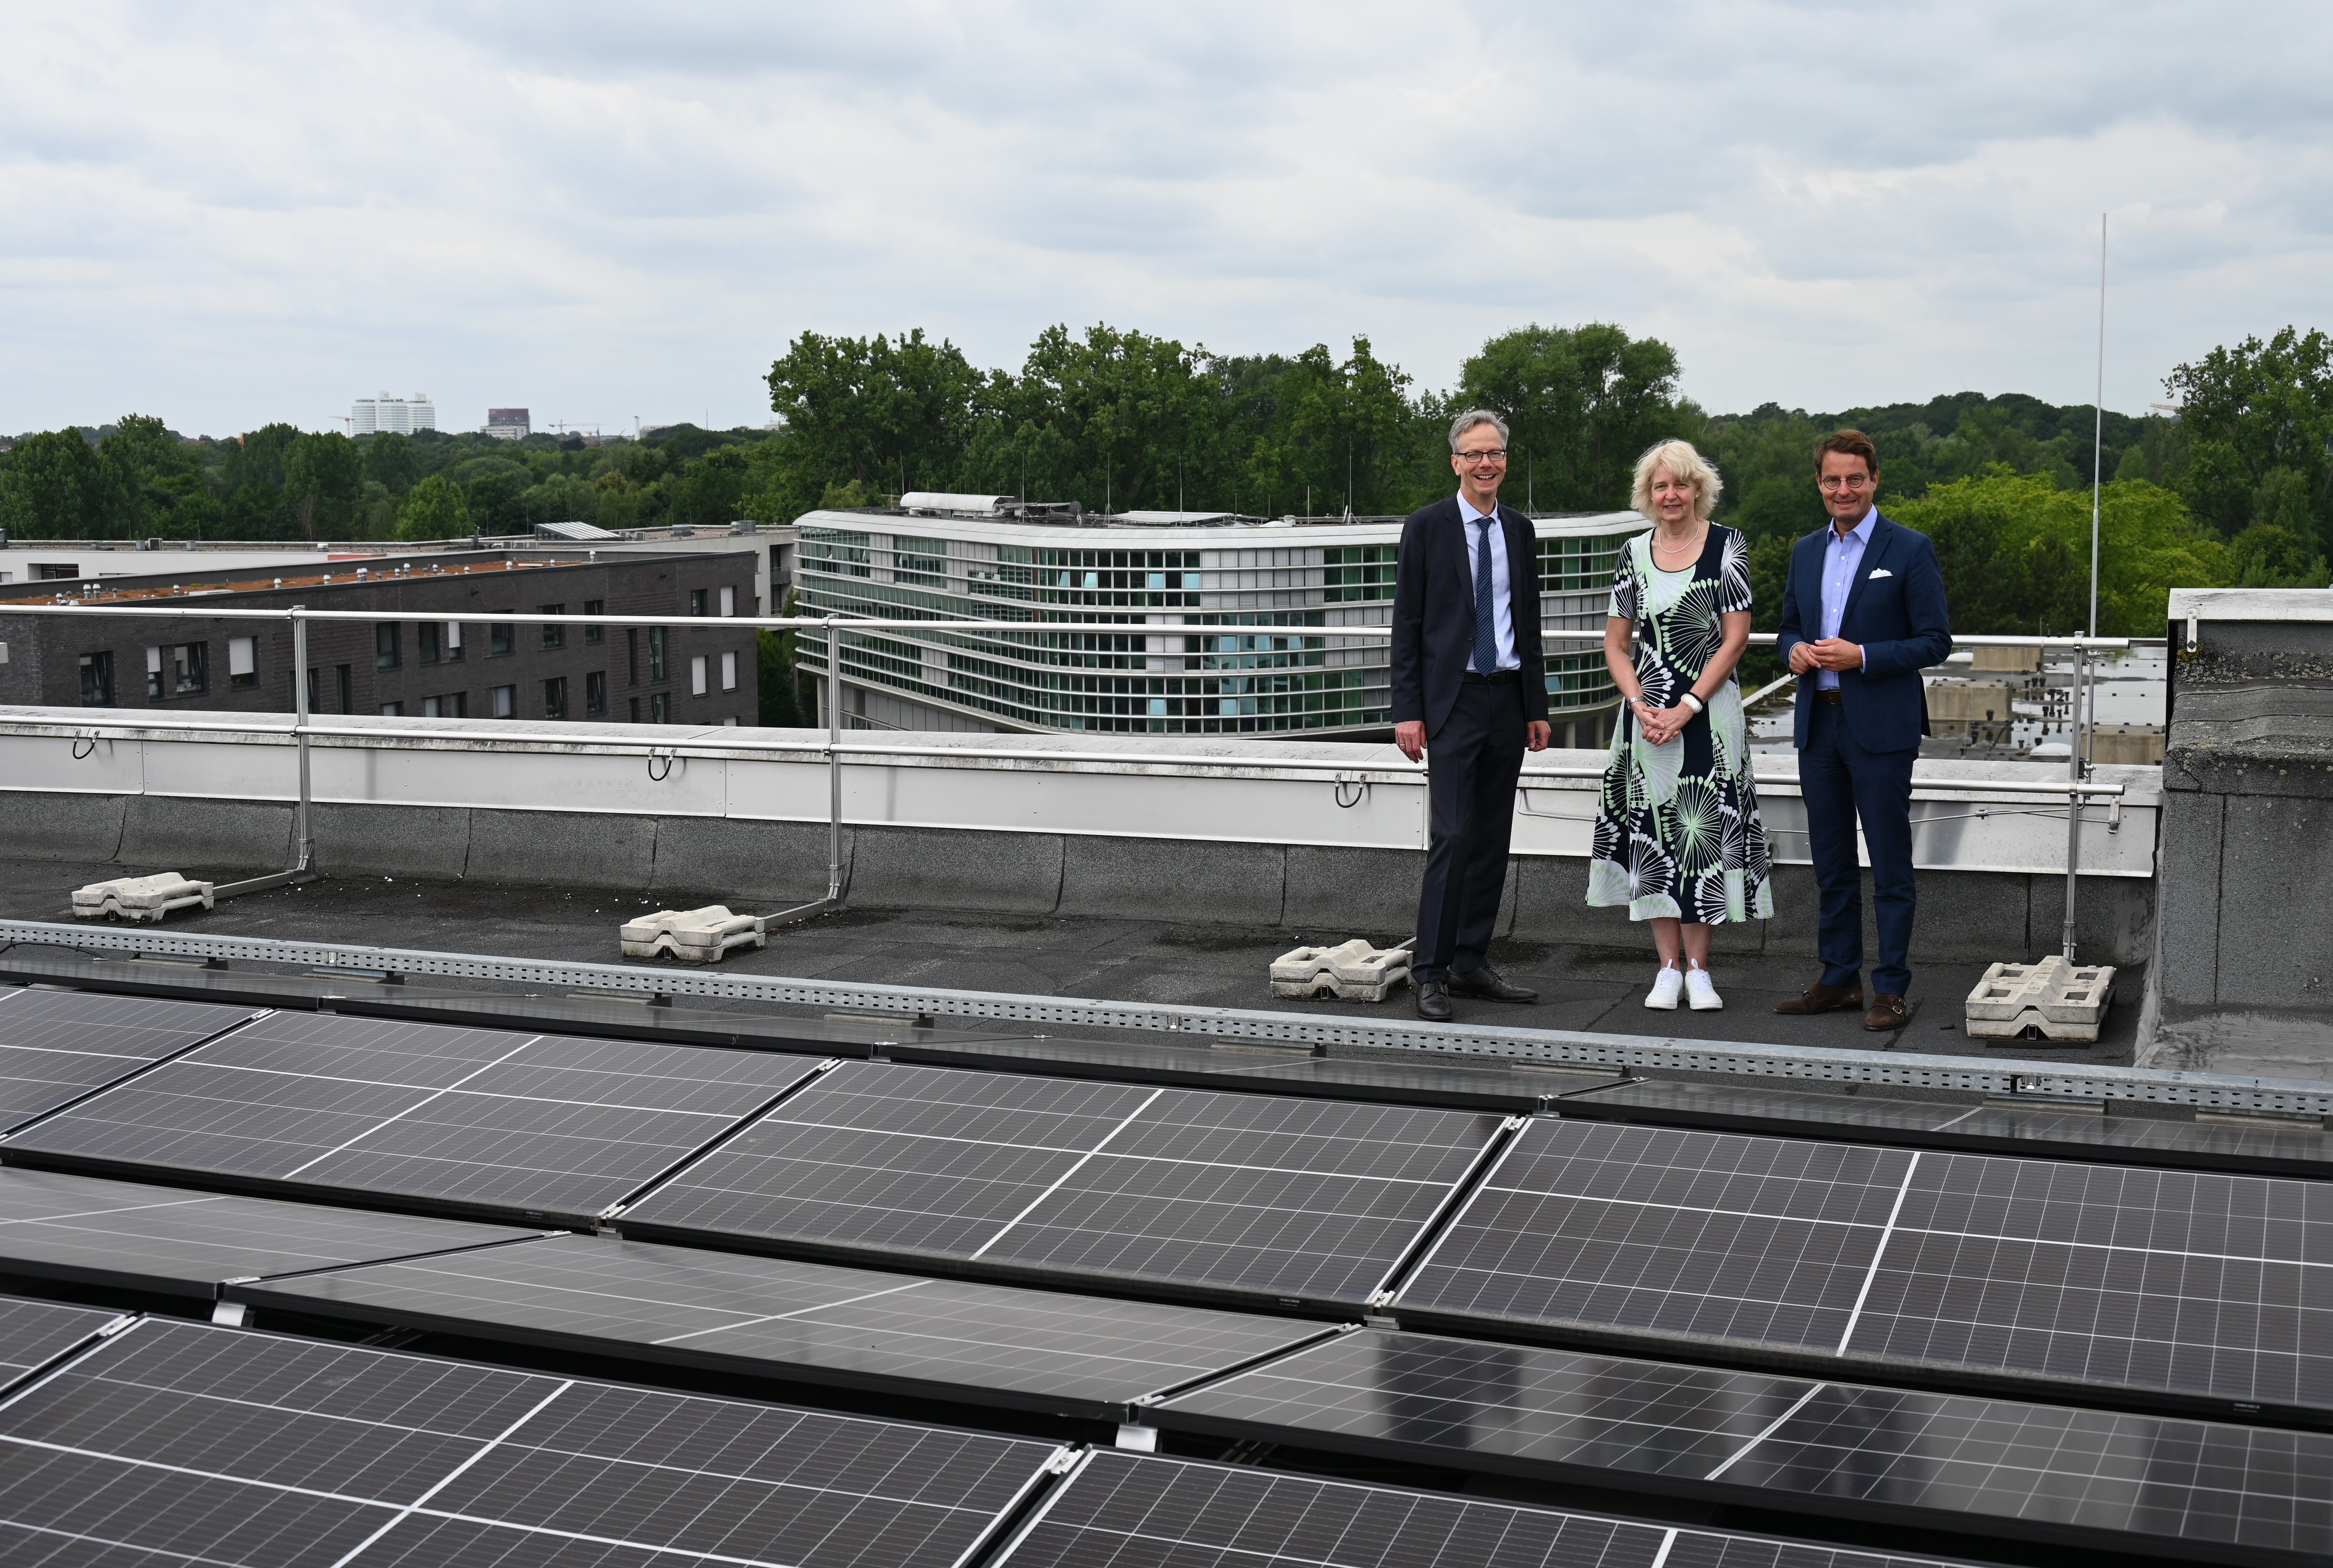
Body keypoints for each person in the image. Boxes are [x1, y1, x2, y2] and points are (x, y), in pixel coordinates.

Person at [1773, 429, 1952, 1029]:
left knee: (1889, 865)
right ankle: (1838, 978)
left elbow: (1935, 640)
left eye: (1854, 478)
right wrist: (1795, 651)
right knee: (1830, 863)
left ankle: (1891, 987)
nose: (1842, 489)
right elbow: (1786, 628)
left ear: (1874, 479)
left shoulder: (1909, 549)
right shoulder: (1804, 551)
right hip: (1817, 727)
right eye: (1832, 479)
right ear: (1819, 483)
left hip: (1879, 728)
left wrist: (1865, 657)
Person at [1589, 439, 1772, 1010]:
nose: (1670, 495)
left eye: (1680, 484)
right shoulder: (1632, 553)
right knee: (1653, 835)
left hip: (1707, 714)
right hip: (1646, 715)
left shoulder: (1727, 545)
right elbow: (1616, 645)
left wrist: (1687, 705)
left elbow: (1735, 637)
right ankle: (1666, 968)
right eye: (1660, 486)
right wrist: (1639, 701)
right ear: (1649, 495)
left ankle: (1699, 968)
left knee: (1704, 836)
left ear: (1699, 489)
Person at [1390, 409, 1552, 1021]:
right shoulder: (1427, 527)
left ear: (1505, 462)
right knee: (1452, 836)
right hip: (1452, 702)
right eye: (1474, 454)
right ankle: (1428, 970)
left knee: (1490, 837)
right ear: (1455, 461)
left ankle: (1468, 961)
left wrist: (1535, 705)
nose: (1487, 464)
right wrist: (1408, 711)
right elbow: (1406, 625)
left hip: (1507, 698)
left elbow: (1528, 626)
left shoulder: (1519, 530)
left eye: (1496, 454)